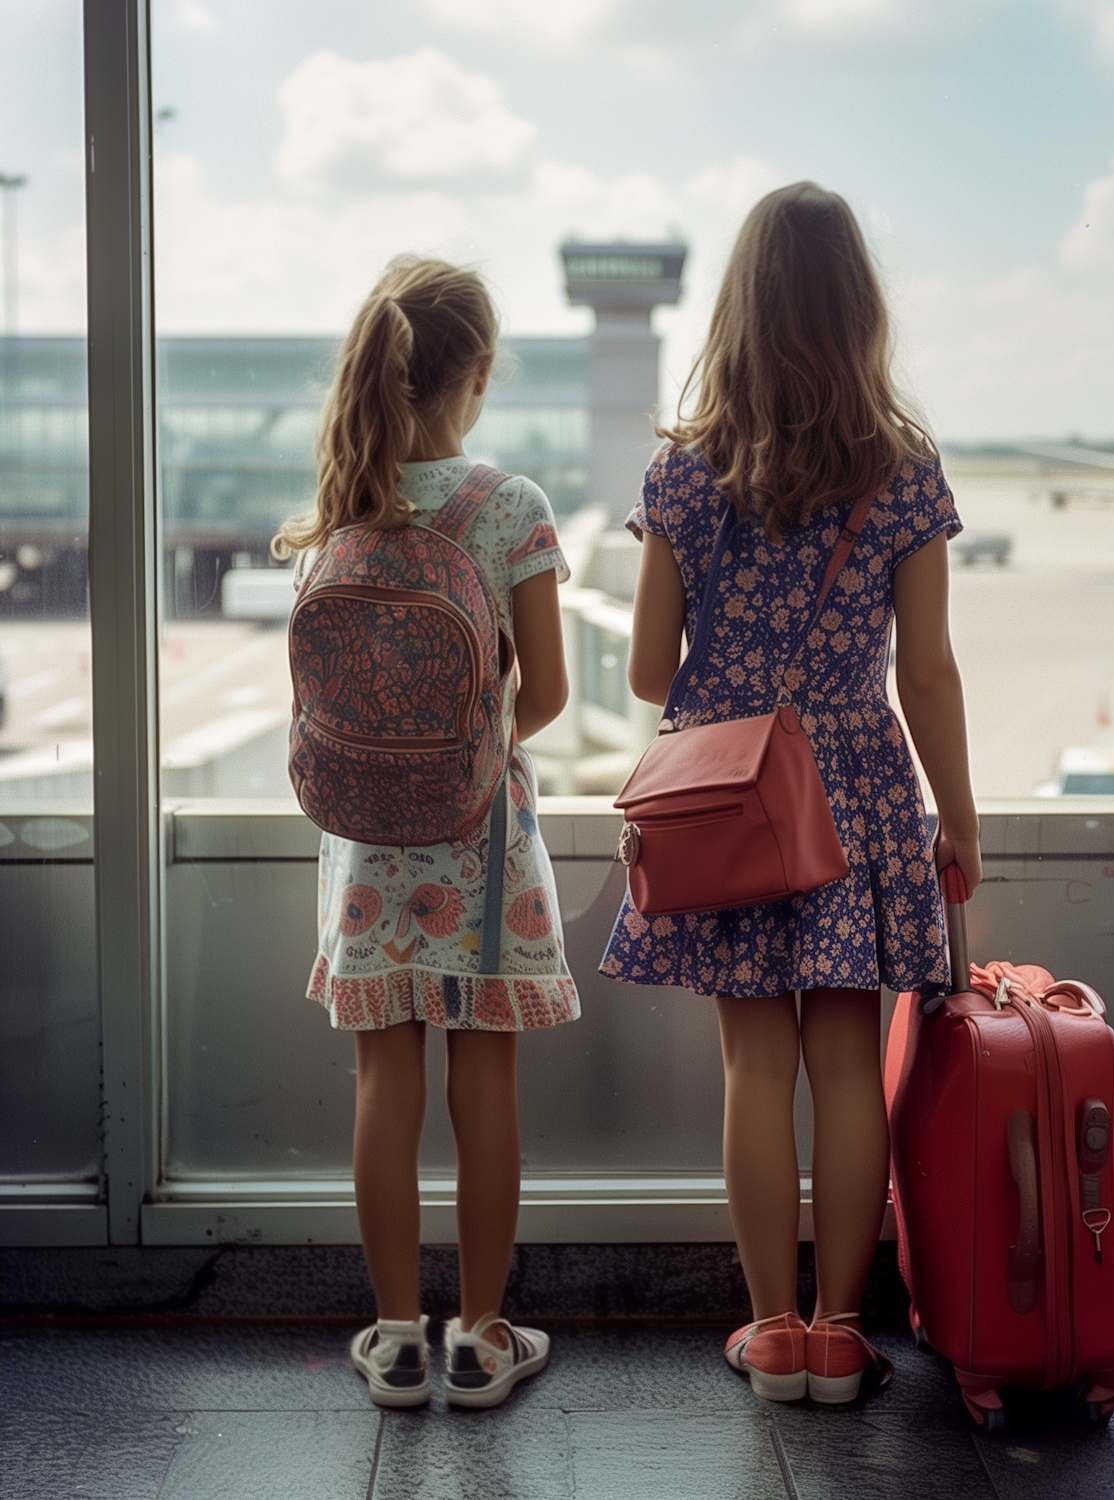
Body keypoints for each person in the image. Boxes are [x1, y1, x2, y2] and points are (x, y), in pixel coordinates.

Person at [601, 183, 982, 1404]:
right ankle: (838, 1332)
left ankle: (769, 1333)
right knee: (844, 1061)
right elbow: (925, 668)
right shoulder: (903, 470)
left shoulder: (684, 472)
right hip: (859, 793)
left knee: (753, 1071)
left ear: (738, 308)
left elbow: (649, 670)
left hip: (731, 797)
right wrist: (959, 817)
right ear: (859, 309)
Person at [275, 257, 577, 1410]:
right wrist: (481, 731)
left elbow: (319, 699)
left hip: (363, 854)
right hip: (481, 843)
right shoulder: (510, 509)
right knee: (484, 1091)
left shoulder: (344, 500)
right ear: (481, 375)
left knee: (380, 1088)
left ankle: (397, 1336)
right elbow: (542, 691)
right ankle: (484, 1336)